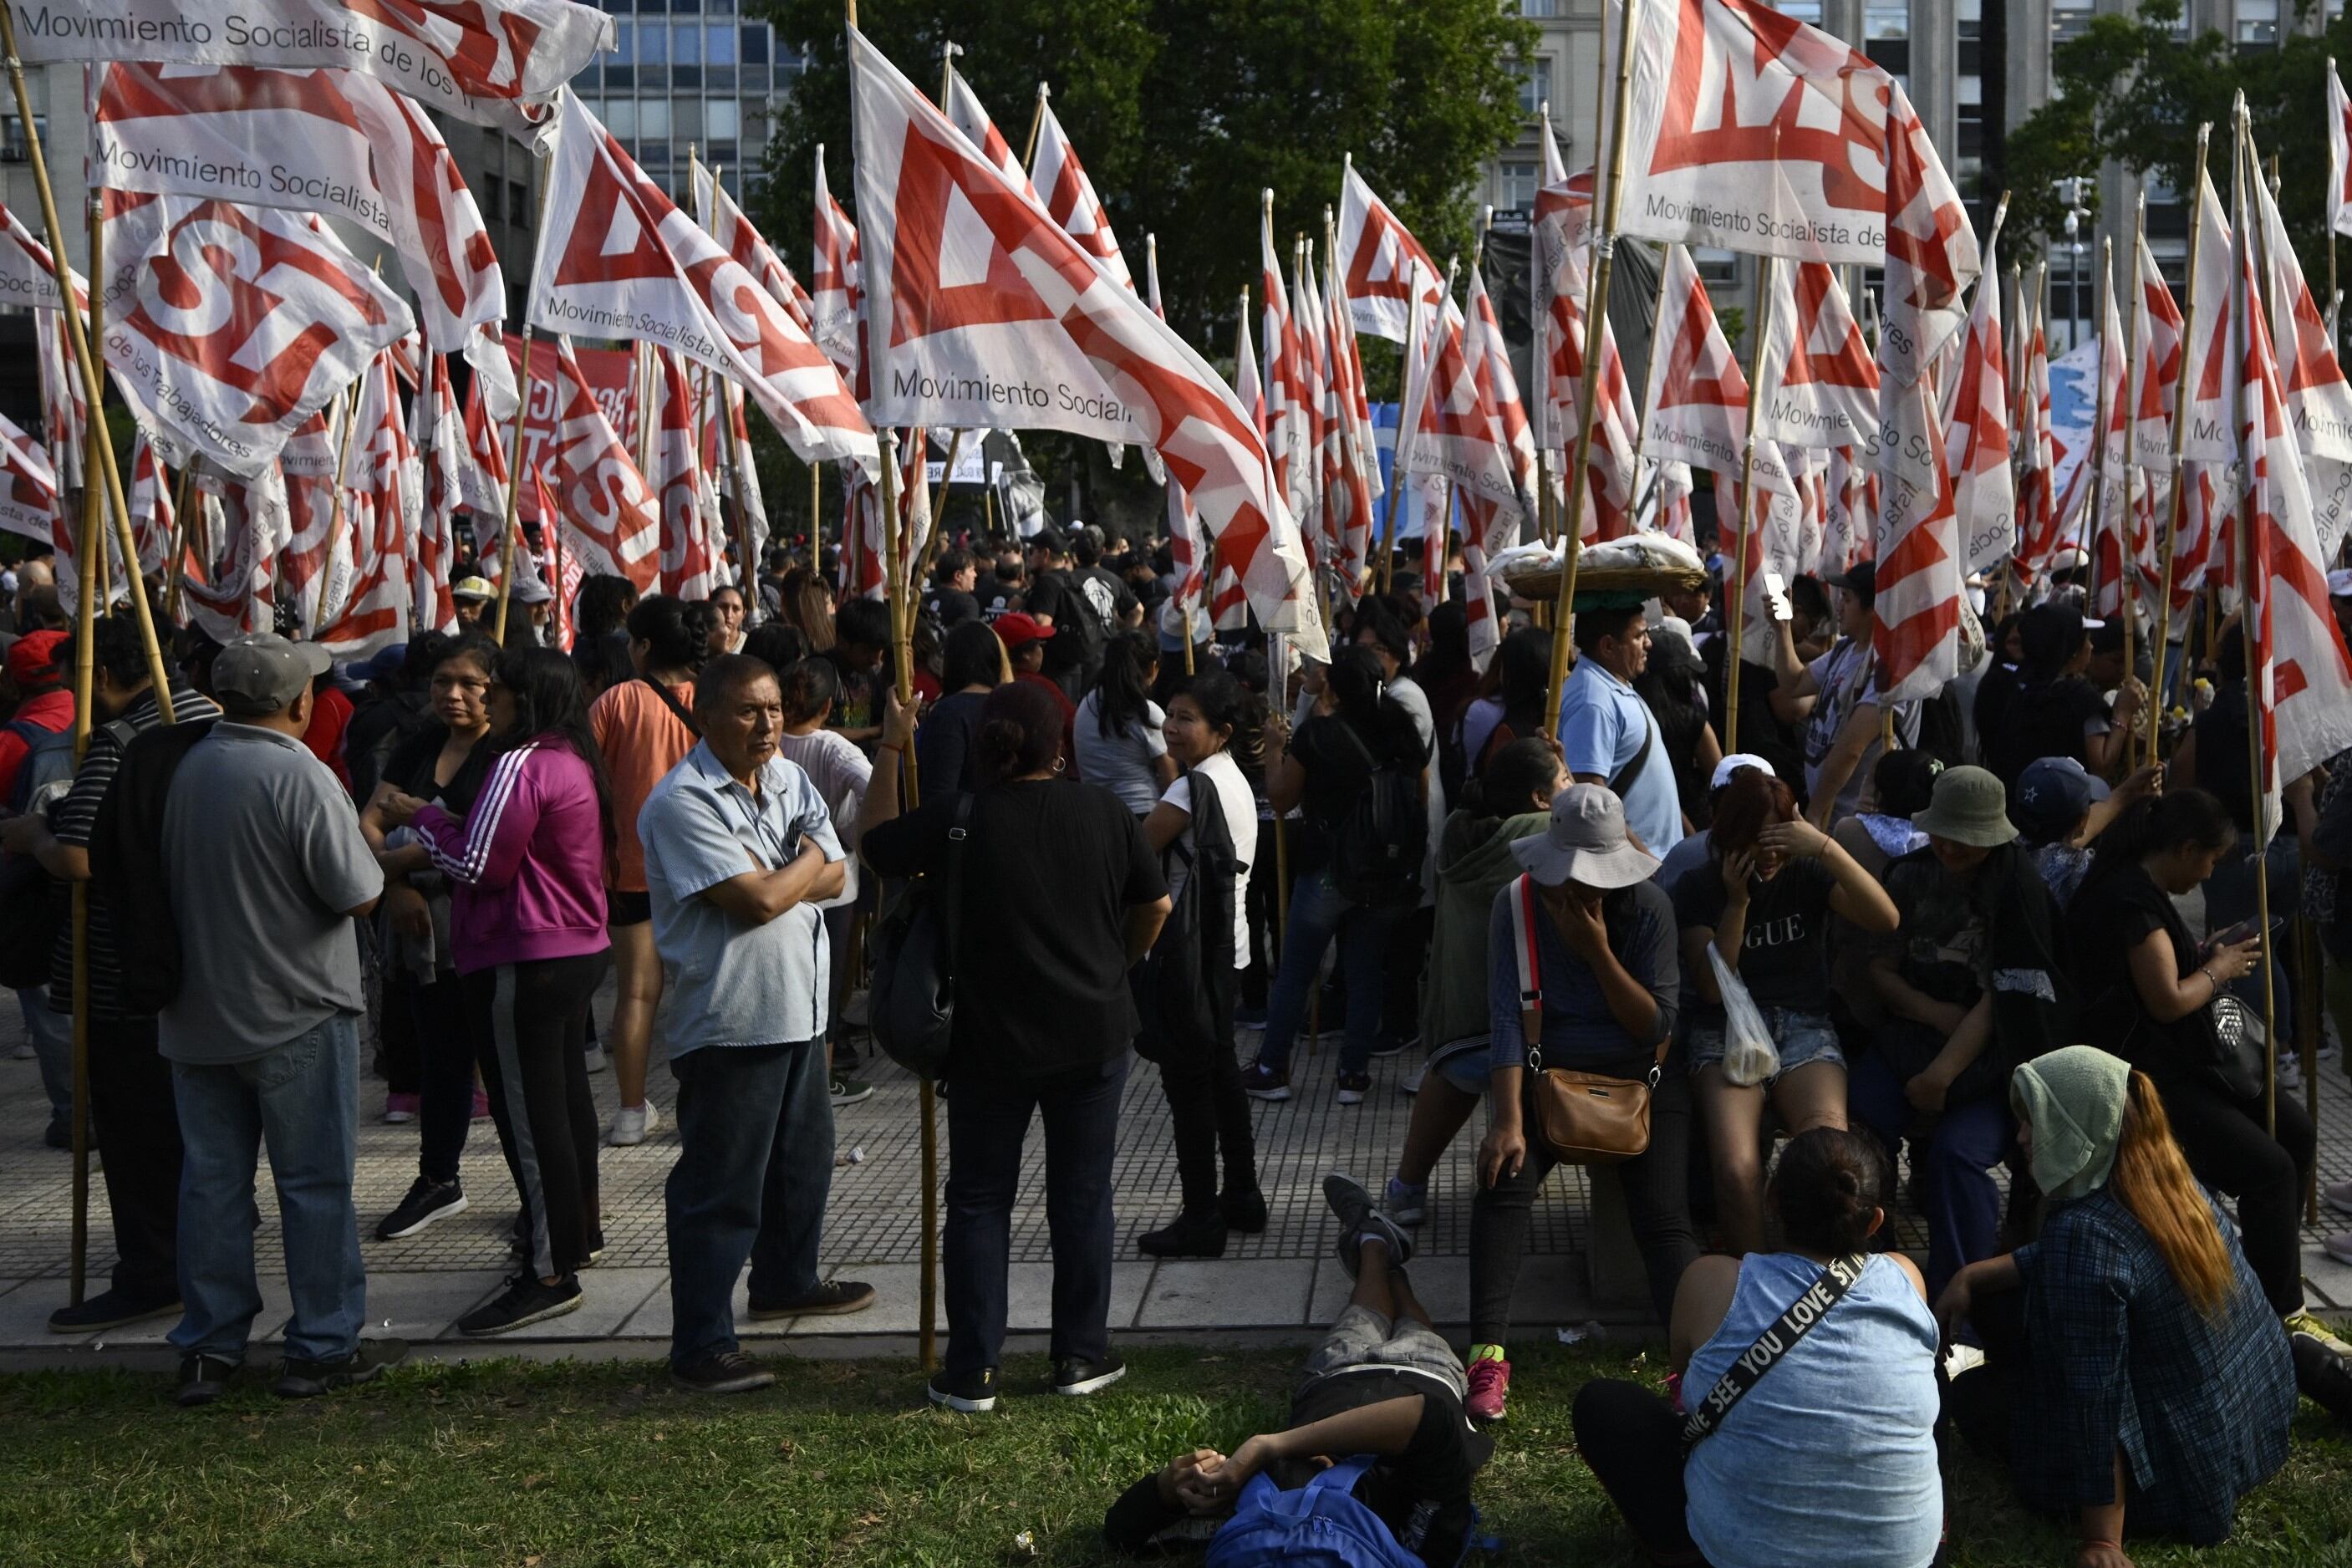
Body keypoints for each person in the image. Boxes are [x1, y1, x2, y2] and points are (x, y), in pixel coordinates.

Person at [859, 681, 1169, 1412]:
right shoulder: (1107, 813)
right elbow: (1153, 905)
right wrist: (1118, 965)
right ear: (1058, 746)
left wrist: (892, 745)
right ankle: (1080, 1355)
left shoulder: (958, 818)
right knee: (1083, 1196)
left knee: (978, 1200)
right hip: (1094, 1033)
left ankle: (973, 1370)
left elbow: (875, 847)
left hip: (986, 1041)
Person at [157, 634, 399, 1406]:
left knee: (212, 1188)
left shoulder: (188, 765)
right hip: (296, 1012)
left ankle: (209, 1348)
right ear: (299, 703)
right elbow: (359, 892)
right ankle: (322, 1345)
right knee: (315, 1186)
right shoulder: (299, 773)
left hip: (198, 1016)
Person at [1940, 1048, 2297, 1555]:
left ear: (2081, 1129)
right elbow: (2118, 1256)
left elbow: (2095, 1403)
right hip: (2244, 1441)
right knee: (1998, 1305)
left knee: (1973, 1395)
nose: (2019, 1139)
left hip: (2174, 1483)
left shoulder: (2082, 1238)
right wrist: (1975, 1274)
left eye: (2033, 1122)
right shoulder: (2165, 1177)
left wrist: (2102, 1539)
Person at [641, 654, 872, 1394]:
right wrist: (806, 862)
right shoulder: (681, 802)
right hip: (733, 1020)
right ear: (704, 716)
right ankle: (702, 1344)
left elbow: (840, 876)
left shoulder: (787, 778)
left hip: (802, 1009)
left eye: (774, 708)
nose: (767, 724)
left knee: (803, 1162)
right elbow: (760, 902)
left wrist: (794, 867)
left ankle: (786, 1279)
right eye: (747, 710)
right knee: (721, 1187)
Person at [1573, 1128, 1939, 1568]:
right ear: (1874, 1220)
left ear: (1770, 1198)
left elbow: (1684, 1386)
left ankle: (1679, 1550)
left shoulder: (1710, 1282)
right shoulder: (1905, 1278)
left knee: (1603, 1404)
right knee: (1932, 1369)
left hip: (1737, 1557)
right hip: (1903, 1560)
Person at [381, 648, 614, 1336]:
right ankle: (576, 1237)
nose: (486, 704)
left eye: (496, 692)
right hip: (571, 949)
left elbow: (477, 862)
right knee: (565, 1106)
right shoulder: (572, 757)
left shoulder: (523, 762)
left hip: (527, 955)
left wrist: (424, 817)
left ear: (522, 699)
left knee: (532, 1118)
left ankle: (548, 1270)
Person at [1, 615, 217, 1332]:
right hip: (197, 957)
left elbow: (81, 857)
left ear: (103, 677)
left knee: (137, 1135)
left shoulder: (129, 740)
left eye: (76, 684)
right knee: (188, 1133)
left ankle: (153, 1273)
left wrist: (33, 834)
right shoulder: (205, 716)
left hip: (126, 969)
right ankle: (196, 1259)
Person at [1103, 1179, 1490, 1564]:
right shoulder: (1420, 1546)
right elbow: (1428, 1419)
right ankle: (1389, 1264)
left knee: (1362, 1313)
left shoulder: (1259, 1524)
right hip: (1425, 1375)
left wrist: (1169, 1488)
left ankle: (1374, 1243)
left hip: (1339, 1373)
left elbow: (1121, 1533)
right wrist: (1268, 1446)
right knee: (1413, 1324)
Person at [1466, 785, 1698, 1421]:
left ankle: (1692, 1369)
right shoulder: (1513, 907)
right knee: (1501, 1180)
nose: (1583, 890)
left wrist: (1596, 950)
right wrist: (1508, 1122)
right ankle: (1487, 1355)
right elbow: (1507, 1020)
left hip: (1643, 1076)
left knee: (1663, 1216)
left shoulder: (1649, 908)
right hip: (1550, 1071)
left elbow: (1654, 1025)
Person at [2066, 788, 2327, 1335]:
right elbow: (2167, 1001)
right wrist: (2222, 968)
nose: (2209, 874)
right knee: (2270, 1169)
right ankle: (2281, 1317)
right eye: (2210, 860)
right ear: (2186, 848)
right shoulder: (2131, 903)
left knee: (2296, 1131)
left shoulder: (2143, 887)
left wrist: (2204, 954)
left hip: (2191, 1058)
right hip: (2147, 1076)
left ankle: (2275, 1282)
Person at [1853, 765, 2073, 1301]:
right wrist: (1930, 1013)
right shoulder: (1909, 875)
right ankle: (1864, 1271)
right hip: (1909, 1037)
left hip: (1995, 1059)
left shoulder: (2019, 890)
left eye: (1966, 840)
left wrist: (1941, 1075)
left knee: (1959, 1153)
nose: (1951, 848)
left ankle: (1963, 1295)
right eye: (1944, 834)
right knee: (1860, 1120)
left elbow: (2010, 999)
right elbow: (1880, 968)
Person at [1673, 768, 1899, 1255]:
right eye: (1758, 844)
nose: (1771, 857)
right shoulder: (1697, 887)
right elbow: (1712, 989)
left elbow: (1886, 918)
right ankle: (1752, 1286)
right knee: (1737, 1169)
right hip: (1724, 1035)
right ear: (1729, 837)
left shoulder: (1806, 872)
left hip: (1804, 1032)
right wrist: (1737, 904)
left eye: (1780, 841)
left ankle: (1829, 1283)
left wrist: (1822, 846)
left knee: (1833, 1159)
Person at [1382, 739, 1565, 1227]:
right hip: (1528, 1014)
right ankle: (1511, 1180)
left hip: (1459, 1007)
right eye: (1565, 781)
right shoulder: (1547, 834)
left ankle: (1407, 1188)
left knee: (1451, 1083)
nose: (1573, 788)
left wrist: (1550, 765)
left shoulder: (1461, 829)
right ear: (1540, 800)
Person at [360, 634, 501, 1238]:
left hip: (487, 927)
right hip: (420, 934)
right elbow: (369, 818)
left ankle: (543, 1194)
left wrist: (403, 858)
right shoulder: (417, 743)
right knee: (439, 1060)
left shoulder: (506, 753)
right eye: (444, 681)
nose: (453, 695)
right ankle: (438, 1178)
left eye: (470, 683)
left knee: (500, 1062)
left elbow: (478, 839)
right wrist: (396, 887)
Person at [1244, 646, 1427, 1103]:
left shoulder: (1317, 736)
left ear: (1335, 689)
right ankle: (1353, 1075)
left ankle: (1271, 1068)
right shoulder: (1402, 731)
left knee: (1296, 970)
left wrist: (1274, 749)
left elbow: (1282, 800)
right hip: (1385, 872)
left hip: (1326, 870)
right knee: (1365, 970)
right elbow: (1418, 796)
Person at [1133, 666, 1265, 1257]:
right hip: (1227, 947)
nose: (1172, 728)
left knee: (1188, 1087)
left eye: (1188, 719)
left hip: (1187, 955)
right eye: (1170, 715)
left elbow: (1134, 857)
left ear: (1222, 729)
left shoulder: (1189, 790)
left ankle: (1202, 1219)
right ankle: (1242, 1197)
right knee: (1220, 1074)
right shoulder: (1232, 779)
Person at [586, 594, 715, 1146]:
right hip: (709, 869)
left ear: (640, 646)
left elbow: (585, 781)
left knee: (637, 993)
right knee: (703, 991)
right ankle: (701, 1114)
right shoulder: (717, 698)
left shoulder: (616, 702)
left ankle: (631, 1113)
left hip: (629, 870)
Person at [771, 656, 877, 1105]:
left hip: (777, 875)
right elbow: (877, 787)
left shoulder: (769, 743)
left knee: (790, 983)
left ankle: (797, 1081)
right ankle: (822, 1081)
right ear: (829, 704)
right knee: (827, 986)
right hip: (833, 878)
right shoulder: (836, 748)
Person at [1766, 562, 1920, 826]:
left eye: (1847, 600)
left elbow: (1851, 749)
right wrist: (1782, 630)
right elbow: (1793, 683)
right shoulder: (1845, 649)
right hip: (1828, 808)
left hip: (1853, 818)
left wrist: (1815, 812)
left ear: (1873, 607)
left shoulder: (1890, 665)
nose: (1838, 607)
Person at [1555, 601, 1682, 858]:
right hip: (1637, 867)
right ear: (1608, 646)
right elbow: (1592, 796)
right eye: (1638, 636)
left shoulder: (1613, 685)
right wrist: (1645, 862)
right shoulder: (1592, 700)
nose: (1648, 643)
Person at [1976, 603, 2142, 789]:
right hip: (2061, 804)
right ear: (2072, 651)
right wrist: (2122, 714)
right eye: (2086, 640)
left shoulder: (2017, 685)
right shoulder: (2081, 699)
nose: (2091, 646)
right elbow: (2101, 766)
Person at [2013, 756, 2160, 912]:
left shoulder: (2011, 849)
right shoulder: (2080, 869)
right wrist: (2144, 811)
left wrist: (2126, 792)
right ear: (2082, 821)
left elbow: (2066, 845)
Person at [1074, 630, 1174, 816]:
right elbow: (1171, 780)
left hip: (1093, 814)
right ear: (1153, 667)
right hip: (1142, 815)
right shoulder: (1147, 713)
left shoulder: (1087, 705)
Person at [1636, 621, 1723, 832]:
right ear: (1680, 675)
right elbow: (1719, 777)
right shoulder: (1692, 721)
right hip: (1695, 817)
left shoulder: (1634, 715)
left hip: (1644, 818)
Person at [915, 619, 1006, 797]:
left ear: (952, 664)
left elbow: (938, 795)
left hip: (963, 820)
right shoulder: (1018, 704)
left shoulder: (948, 713)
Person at [926, 547, 982, 628]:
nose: (975, 575)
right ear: (958, 576)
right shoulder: (967, 603)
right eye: (971, 570)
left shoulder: (926, 599)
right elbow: (969, 637)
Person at [706, 583, 750, 654]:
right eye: (723, 607)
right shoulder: (701, 643)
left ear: (744, 614)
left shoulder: (749, 644)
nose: (729, 615)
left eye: (736, 609)